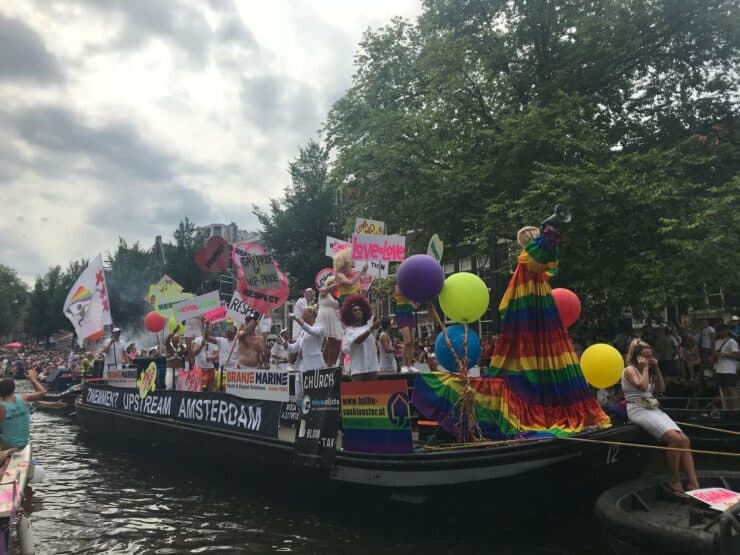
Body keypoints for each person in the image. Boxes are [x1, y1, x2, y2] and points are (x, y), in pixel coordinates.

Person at [622, 341, 699, 495]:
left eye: (651, 356)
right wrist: (644, 368)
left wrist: (656, 369)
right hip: (638, 409)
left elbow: (661, 389)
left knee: (684, 440)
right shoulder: (629, 370)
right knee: (674, 439)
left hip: (652, 408)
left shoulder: (648, 370)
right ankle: (675, 480)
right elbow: (642, 387)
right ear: (637, 357)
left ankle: (693, 482)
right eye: (646, 357)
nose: (649, 359)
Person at [0, 368, 47, 449]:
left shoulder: (1, 406)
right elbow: (43, 392)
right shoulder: (24, 398)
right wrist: (32, 379)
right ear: (14, 389)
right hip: (24, 443)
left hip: (8, 445)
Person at [286, 307, 325, 402]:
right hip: (301, 367)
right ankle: (300, 415)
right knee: (298, 395)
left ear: (311, 316)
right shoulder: (303, 332)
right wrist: (284, 343)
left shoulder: (320, 327)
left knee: (311, 394)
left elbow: (311, 330)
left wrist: (296, 318)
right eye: (302, 314)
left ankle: (310, 415)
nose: (302, 316)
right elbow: (294, 347)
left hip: (313, 366)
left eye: (304, 314)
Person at [340, 294, 380, 381]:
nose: (358, 311)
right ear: (350, 314)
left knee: (375, 393)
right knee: (358, 394)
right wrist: (371, 329)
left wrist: (378, 299)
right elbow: (358, 340)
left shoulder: (368, 325)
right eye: (355, 310)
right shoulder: (349, 330)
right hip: (358, 369)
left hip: (372, 367)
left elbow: (376, 316)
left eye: (360, 309)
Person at [316, 276, 343, 366]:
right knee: (331, 341)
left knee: (337, 342)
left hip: (337, 321)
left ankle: (333, 363)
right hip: (326, 321)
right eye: (334, 284)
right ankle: (329, 363)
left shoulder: (337, 297)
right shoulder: (325, 294)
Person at [713, 323, 739, 410]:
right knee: (724, 390)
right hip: (719, 369)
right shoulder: (716, 342)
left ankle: (734, 409)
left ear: (726, 331)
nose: (719, 333)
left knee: (731, 389)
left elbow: (736, 355)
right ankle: (727, 409)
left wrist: (722, 354)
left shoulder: (731, 341)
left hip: (729, 369)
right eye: (718, 331)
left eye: (721, 331)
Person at [394, 286, 417, 373]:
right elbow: (399, 292)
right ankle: (403, 365)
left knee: (412, 341)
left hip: (410, 314)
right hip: (402, 314)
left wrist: (415, 303)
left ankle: (410, 364)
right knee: (407, 341)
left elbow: (415, 303)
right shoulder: (399, 285)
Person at [192, 320, 218, 392]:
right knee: (199, 389)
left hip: (210, 368)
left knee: (212, 389)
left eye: (210, 327)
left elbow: (216, 355)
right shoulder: (197, 339)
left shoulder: (214, 340)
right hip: (199, 368)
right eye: (207, 327)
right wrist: (201, 346)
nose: (208, 329)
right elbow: (193, 353)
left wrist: (211, 358)